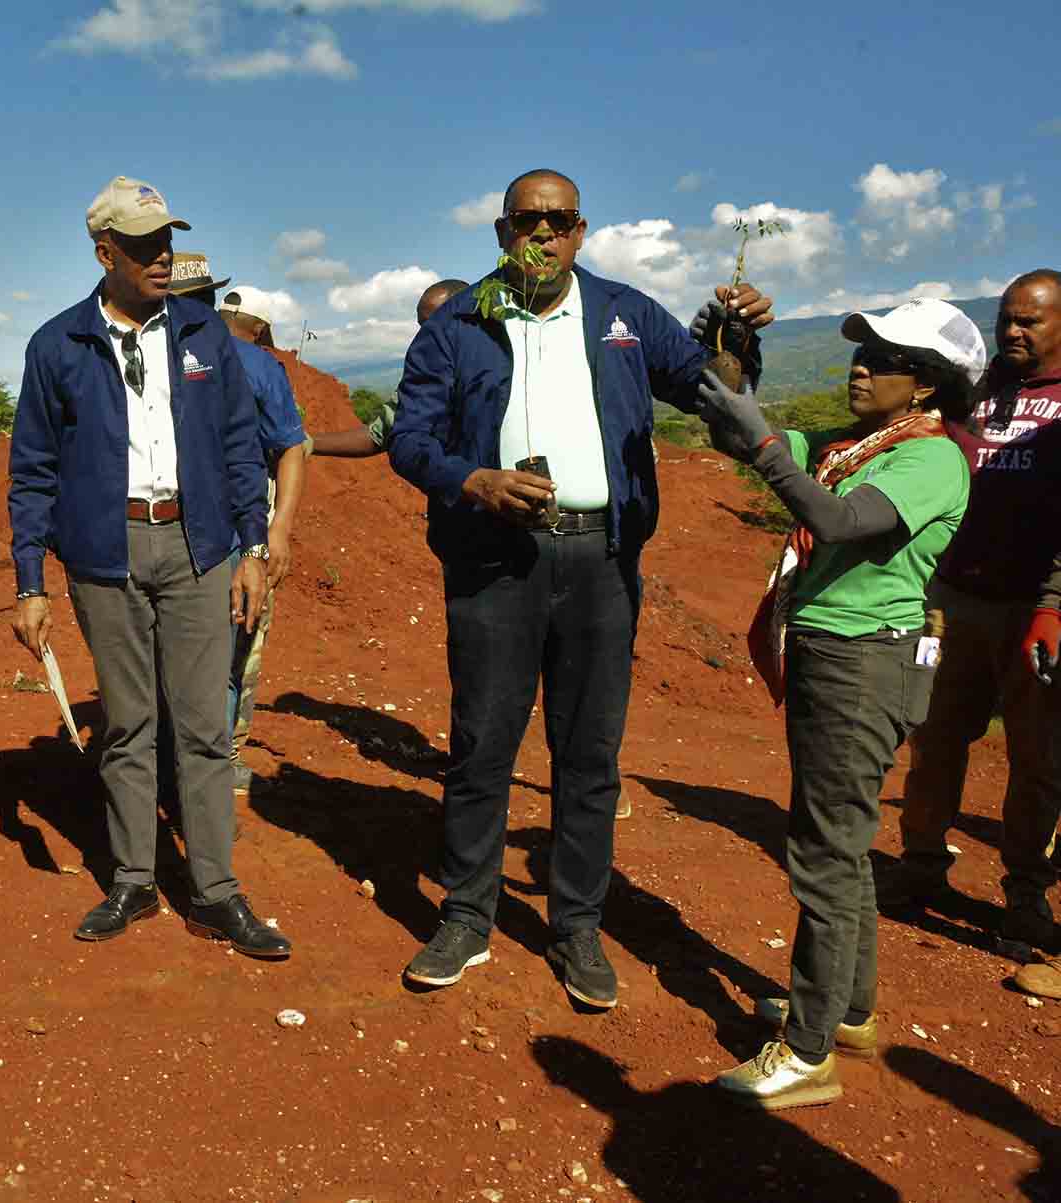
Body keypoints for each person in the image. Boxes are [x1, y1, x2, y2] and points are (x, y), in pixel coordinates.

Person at [388, 168, 773, 1004]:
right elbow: (410, 441)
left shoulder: (625, 315)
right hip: (496, 560)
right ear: (501, 232)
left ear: (582, 231)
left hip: (601, 560)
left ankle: (578, 928)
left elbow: (714, 393)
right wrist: (476, 481)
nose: (544, 234)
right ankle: (465, 915)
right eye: (528, 221)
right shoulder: (457, 324)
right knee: (483, 742)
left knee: (589, 752)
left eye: (559, 221)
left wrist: (737, 340)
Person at [695, 298, 981, 1108]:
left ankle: (808, 1049)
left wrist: (760, 439)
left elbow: (835, 516)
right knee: (838, 842)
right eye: (863, 350)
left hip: (864, 663)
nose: (861, 365)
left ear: (925, 384)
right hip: (833, 654)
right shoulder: (859, 444)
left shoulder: (932, 460)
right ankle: (846, 1009)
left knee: (824, 851)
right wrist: (731, 364)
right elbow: (735, 434)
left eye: (884, 357)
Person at [8, 175, 289, 959]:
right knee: (128, 725)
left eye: (166, 241)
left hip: (200, 550)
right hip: (106, 554)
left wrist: (253, 549)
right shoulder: (57, 345)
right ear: (105, 253)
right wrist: (29, 582)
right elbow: (31, 469)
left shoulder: (202, 335)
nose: (162, 257)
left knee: (204, 727)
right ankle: (133, 877)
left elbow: (242, 447)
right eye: (143, 246)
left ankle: (216, 891)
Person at [876, 272, 1061, 955]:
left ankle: (1025, 892)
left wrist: (1055, 604)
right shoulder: (979, 393)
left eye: (1030, 322)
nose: (1013, 331)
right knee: (933, 737)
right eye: (1007, 319)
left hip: (1032, 605)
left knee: (1035, 756)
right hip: (952, 599)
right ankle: (921, 864)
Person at [166, 259, 309, 788]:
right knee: (214, 650)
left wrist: (278, 531)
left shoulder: (249, 365)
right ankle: (198, 761)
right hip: (173, 533)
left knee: (229, 645)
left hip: (232, 534)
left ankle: (213, 761)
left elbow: (290, 446)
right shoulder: (142, 360)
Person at [211, 286, 307, 786]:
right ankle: (222, 757)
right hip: (243, 532)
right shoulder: (262, 366)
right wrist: (280, 530)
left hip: (167, 526)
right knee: (241, 640)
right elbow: (291, 448)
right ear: (261, 329)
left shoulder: (175, 351)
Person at [307, 279, 467, 459]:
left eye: (434, 325)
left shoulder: (495, 364)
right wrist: (309, 443)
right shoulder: (426, 380)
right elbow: (378, 433)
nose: (426, 337)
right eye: (423, 327)